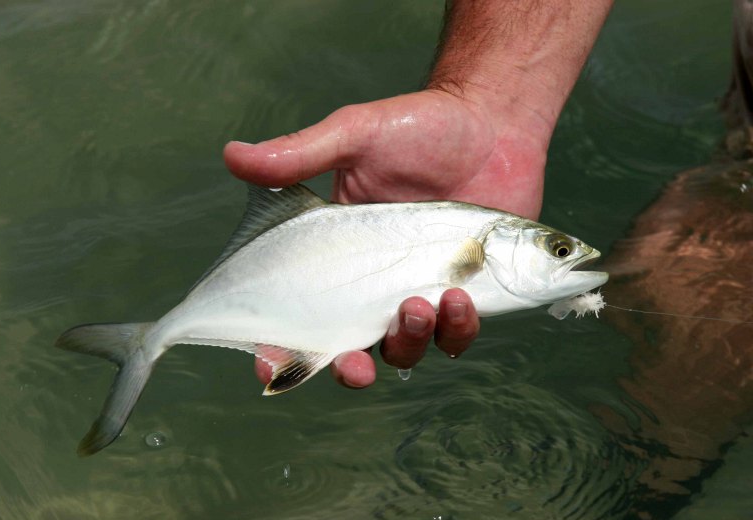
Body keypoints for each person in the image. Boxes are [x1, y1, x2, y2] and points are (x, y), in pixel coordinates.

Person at [223, 0, 614, 389]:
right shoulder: (476, 239)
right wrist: (493, 111)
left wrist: (496, 109)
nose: (569, 256)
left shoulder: (478, 234)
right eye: (559, 250)